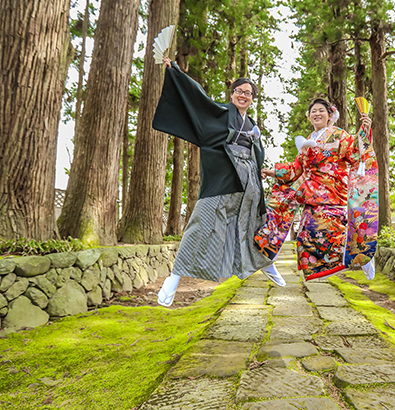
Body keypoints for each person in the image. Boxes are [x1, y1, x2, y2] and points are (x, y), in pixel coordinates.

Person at [153, 58, 285, 307]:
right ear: (232, 94)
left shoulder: (253, 126)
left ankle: (267, 264)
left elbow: (257, 153)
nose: (243, 95)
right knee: (201, 223)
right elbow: (197, 97)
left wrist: (261, 171)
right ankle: (173, 278)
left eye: (248, 93)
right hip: (224, 177)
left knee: (253, 227)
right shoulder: (220, 113)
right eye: (239, 91)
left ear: (252, 98)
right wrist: (177, 72)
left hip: (249, 184)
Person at [254, 97, 379, 281]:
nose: (317, 114)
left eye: (321, 110)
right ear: (309, 116)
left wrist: (364, 133)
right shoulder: (308, 140)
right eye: (313, 111)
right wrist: (272, 172)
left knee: (333, 236)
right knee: (303, 236)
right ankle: (266, 255)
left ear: (330, 115)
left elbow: (355, 153)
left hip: (331, 195)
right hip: (310, 194)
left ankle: (363, 254)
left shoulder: (339, 135)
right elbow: (296, 168)